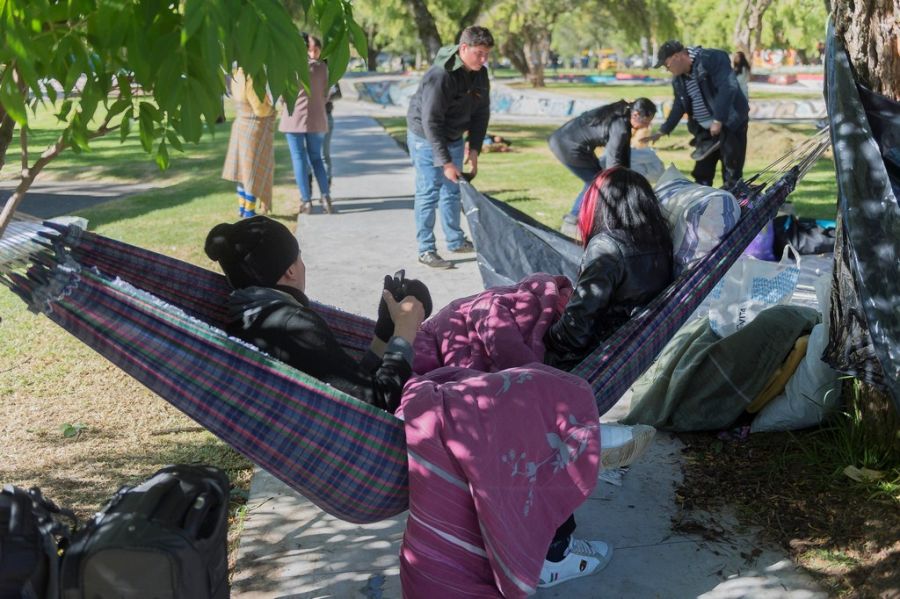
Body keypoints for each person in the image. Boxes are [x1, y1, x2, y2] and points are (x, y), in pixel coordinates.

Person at [532, 167, 674, 587]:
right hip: (615, 357)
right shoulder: (658, 243)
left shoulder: (608, 247)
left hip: (580, 364)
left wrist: (541, 335)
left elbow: (575, 331)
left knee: (541, 437)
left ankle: (554, 551)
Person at [204, 216, 427, 413]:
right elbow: (380, 401)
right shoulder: (294, 325)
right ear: (290, 271)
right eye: (299, 259)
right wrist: (404, 332)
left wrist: (384, 332)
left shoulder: (249, 318)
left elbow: (350, 383)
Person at [406, 26, 494, 269]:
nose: (484, 59)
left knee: (453, 191)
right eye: (479, 53)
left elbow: (481, 113)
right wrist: (444, 162)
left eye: (487, 54)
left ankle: (455, 240)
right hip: (426, 136)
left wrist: (474, 149)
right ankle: (426, 249)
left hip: (454, 136)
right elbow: (430, 121)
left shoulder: (480, 73)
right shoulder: (441, 76)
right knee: (428, 191)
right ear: (463, 48)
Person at [648, 40, 750, 189]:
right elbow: (679, 105)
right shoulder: (679, 79)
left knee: (731, 171)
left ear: (677, 56)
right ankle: (705, 205)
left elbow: (728, 87)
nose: (667, 69)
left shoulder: (711, 58)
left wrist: (718, 120)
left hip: (730, 123)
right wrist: (663, 130)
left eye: (666, 65)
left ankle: (734, 205)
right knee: (702, 172)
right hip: (705, 132)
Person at [548, 98, 657, 226]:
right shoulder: (620, 126)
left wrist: (627, 178)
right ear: (636, 114)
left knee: (598, 179)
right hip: (567, 145)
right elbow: (613, 159)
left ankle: (584, 214)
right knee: (598, 181)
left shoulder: (621, 115)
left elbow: (624, 153)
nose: (646, 126)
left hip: (568, 142)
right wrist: (619, 186)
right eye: (646, 122)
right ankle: (576, 214)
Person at [280, 34, 333, 215]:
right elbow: (327, 94)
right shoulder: (321, 68)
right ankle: (326, 197)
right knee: (316, 159)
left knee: (299, 158)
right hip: (317, 119)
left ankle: (307, 201)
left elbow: (280, 95)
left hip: (293, 119)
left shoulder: (287, 68)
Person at [222, 67, 275, 218]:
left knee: (241, 171)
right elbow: (260, 109)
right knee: (251, 171)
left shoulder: (236, 74)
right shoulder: (250, 77)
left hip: (239, 126)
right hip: (252, 128)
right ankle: (249, 210)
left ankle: (242, 206)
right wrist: (271, 109)